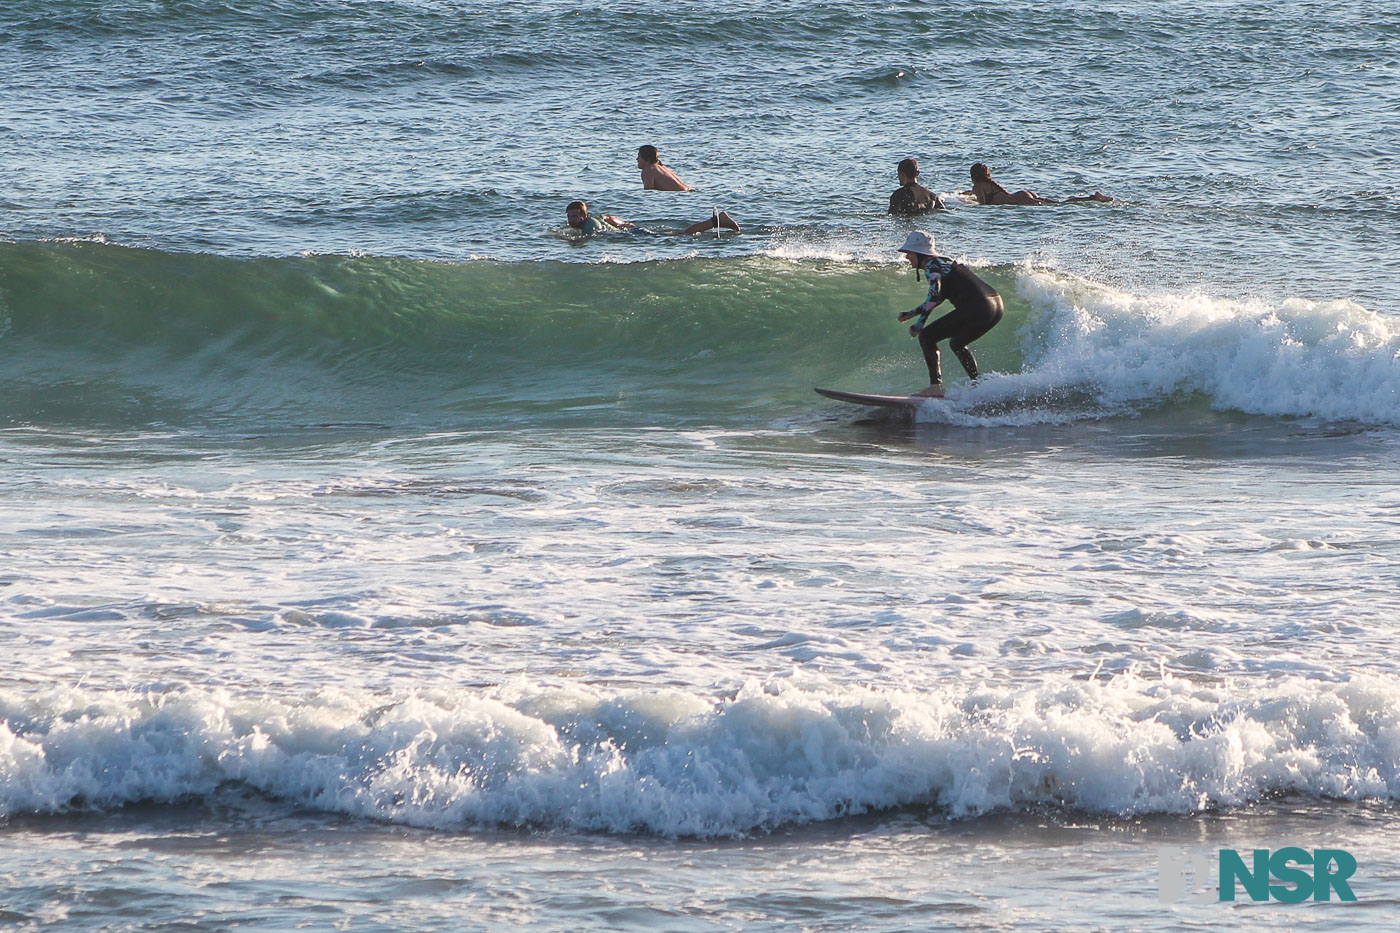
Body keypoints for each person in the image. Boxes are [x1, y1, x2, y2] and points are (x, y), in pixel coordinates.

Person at [895, 231, 1002, 397]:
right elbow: (937, 298)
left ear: (919, 253)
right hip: (995, 305)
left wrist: (920, 323)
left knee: (927, 337)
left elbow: (934, 296)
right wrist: (911, 314)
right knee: (957, 343)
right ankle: (978, 384)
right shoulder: (945, 263)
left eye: (909, 252)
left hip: (978, 306)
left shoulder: (931, 266)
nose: (906, 256)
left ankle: (935, 387)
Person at [565, 200, 739, 236]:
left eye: (574, 216)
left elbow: (585, 241)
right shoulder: (595, 217)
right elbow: (610, 217)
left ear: (584, 215)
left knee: (682, 235)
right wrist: (625, 224)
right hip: (633, 231)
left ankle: (715, 221)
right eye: (569, 217)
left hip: (635, 236)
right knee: (677, 233)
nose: (571, 220)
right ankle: (715, 222)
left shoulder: (588, 226)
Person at [964, 163, 1110, 205]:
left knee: (1058, 205)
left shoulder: (978, 186)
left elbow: (983, 205)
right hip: (1022, 194)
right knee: (1059, 203)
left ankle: (1093, 198)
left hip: (1020, 199)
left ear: (973, 176)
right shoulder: (988, 184)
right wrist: (966, 194)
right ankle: (1092, 197)